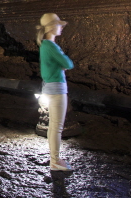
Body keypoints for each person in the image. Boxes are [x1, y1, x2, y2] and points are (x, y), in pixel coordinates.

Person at [36, 13, 74, 172]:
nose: (61, 28)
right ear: (51, 27)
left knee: (53, 127)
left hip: (48, 89)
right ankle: (55, 161)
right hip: (57, 90)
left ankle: (54, 159)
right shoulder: (51, 46)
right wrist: (63, 63)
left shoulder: (44, 45)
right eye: (58, 25)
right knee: (57, 128)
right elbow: (68, 63)